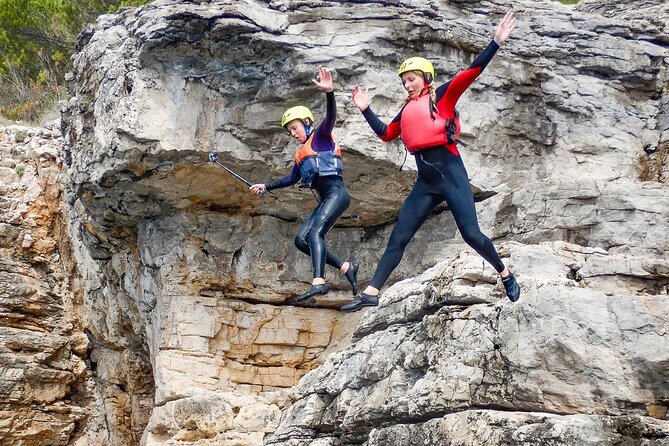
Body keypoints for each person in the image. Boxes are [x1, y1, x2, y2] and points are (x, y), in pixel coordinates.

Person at [341, 11, 520, 312]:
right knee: (400, 235)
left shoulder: (441, 97)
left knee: (471, 235)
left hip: (450, 173)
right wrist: (365, 109)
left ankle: (505, 273)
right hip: (426, 181)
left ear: (425, 78)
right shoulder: (407, 109)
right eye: (403, 82)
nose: (407, 85)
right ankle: (372, 291)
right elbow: (387, 134)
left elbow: (472, 72)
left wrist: (496, 42)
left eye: (410, 79)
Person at [250, 66, 359, 303]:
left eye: (295, 128)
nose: (293, 133)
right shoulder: (302, 155)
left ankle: (318, 282)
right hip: (325, 200)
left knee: (315, 234)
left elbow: (330, 117)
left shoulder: (320, 137)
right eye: (290, 131)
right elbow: (291, 179)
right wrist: (266, 186)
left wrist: (329, 93)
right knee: (301, 240)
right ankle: (346, 267)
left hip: (337, 194)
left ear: (307, 123)